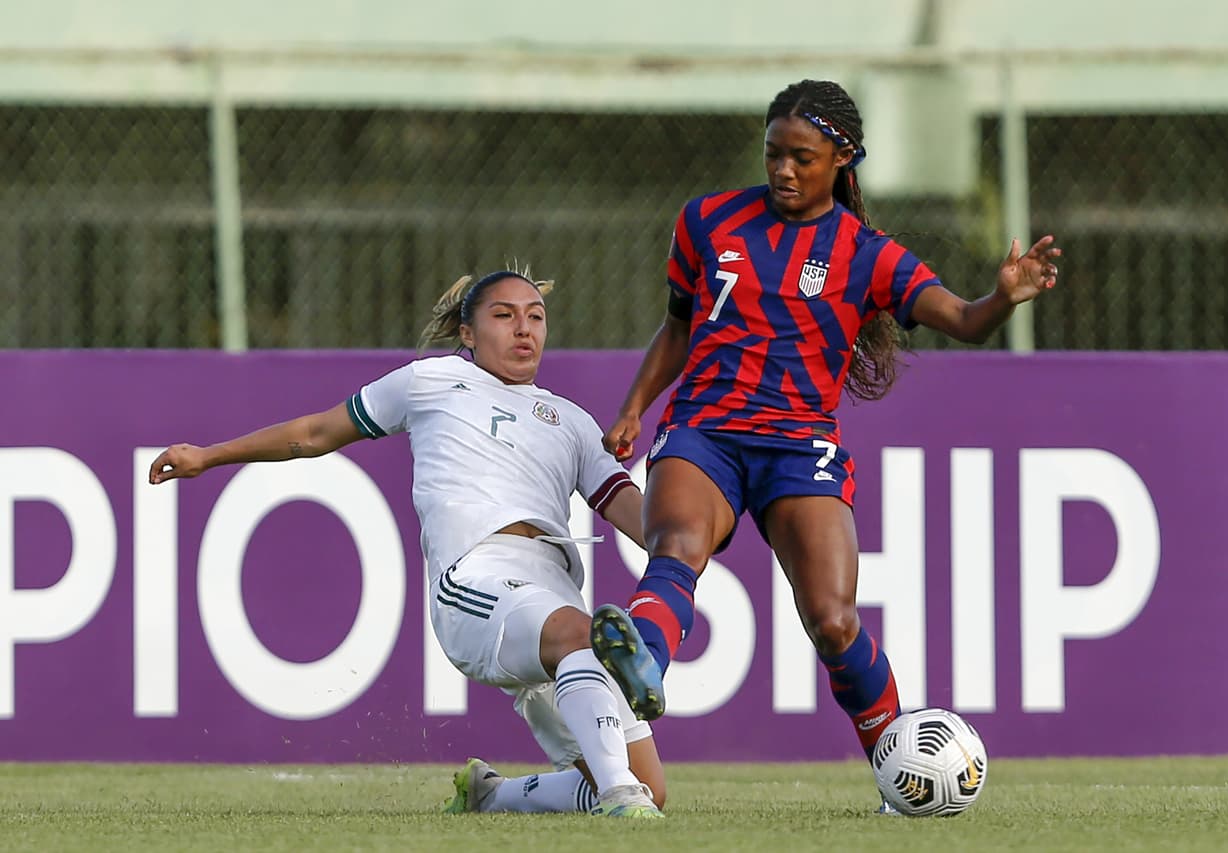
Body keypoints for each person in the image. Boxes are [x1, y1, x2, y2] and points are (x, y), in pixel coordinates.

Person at [589, 79, 1061, 807]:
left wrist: (1003, 296)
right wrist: (633, 409)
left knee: (835, 623)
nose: (782, 169)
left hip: (797, 447)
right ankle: (641, 668)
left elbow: (964, 319)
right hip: (705, 429)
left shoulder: (869, 254)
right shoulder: (707, 221)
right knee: (677, 542)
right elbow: (679, 325)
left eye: (801, 157)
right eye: (773, 153)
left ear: (843, 158)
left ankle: (900, 773)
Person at [148, 270, 665, 819]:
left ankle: (492, 795)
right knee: (583, 643)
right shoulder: (429, 382)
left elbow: (642, 522)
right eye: (504, 315)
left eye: (535, 317)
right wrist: (210, 455)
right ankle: (621, 802)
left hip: (550, 600)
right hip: (476, 582)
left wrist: (701, 509)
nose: (524, 329)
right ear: (467, 333)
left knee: (652, 782)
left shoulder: (572, 422)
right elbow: (318, 432)